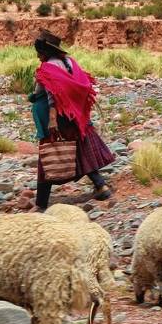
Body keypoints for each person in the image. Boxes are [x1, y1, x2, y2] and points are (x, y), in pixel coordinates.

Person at [28, 30, 115, 210]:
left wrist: (52, 119)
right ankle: (101, 186)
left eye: (39, 52)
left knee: (49, 156)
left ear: (46, 51)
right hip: (75, 116)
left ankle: (40, 203)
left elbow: (53, 94)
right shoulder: (70, 63)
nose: (37, 56)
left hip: (59, 118)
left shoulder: (48, 68)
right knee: (81, 149)